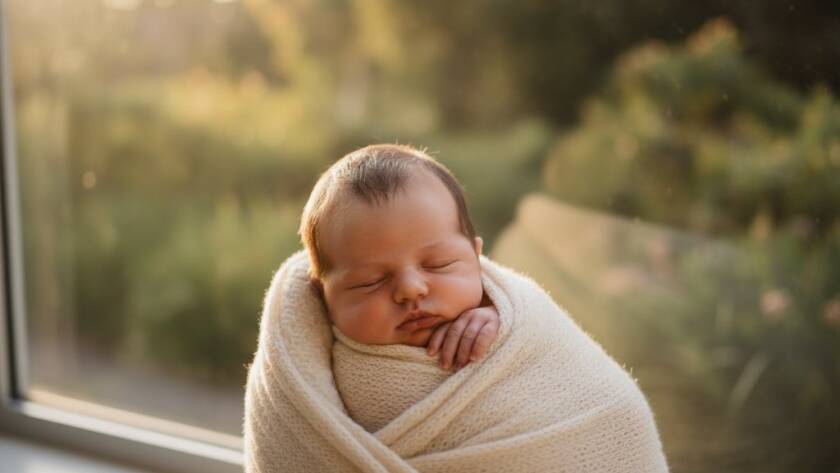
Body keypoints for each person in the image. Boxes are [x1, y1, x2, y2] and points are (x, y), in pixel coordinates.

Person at [243, 143, 669, 472]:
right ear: (321, 295)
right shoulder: (301, 369)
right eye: (371, 281)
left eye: (440, 265)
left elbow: (606, 413)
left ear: (477, 258)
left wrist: (502, 320)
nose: (411, 289)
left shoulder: (517, 326)